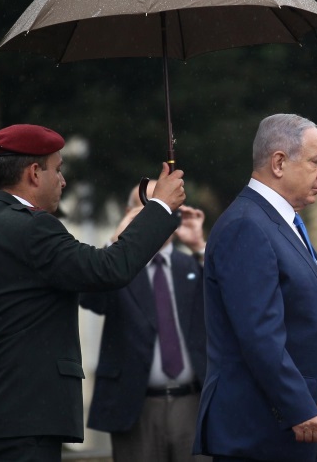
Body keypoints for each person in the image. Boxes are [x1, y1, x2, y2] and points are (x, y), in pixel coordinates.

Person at [0, 124, 185, 461]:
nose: (63, 180)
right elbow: (107, 270)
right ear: (33, 173)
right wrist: (159, 208)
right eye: (58, 169)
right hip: (26, 419)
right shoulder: (33, 227)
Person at [193, 114, 317, 462]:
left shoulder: (278, 221)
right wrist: (298, 407)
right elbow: (259, 334)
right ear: (279, 162)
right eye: (316, 161)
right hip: (267, 431)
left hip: (295, 428)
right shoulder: (247, 225)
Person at [80, 180, 211, 462]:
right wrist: (115, 245)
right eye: (148, 208)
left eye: (165, 207)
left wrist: (200, 247)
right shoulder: (116, 269)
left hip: (191, 402)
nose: (158, 216)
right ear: (129, 214)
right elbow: (91, 299)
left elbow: (226, 304)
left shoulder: (189, 265)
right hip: (134, 406)